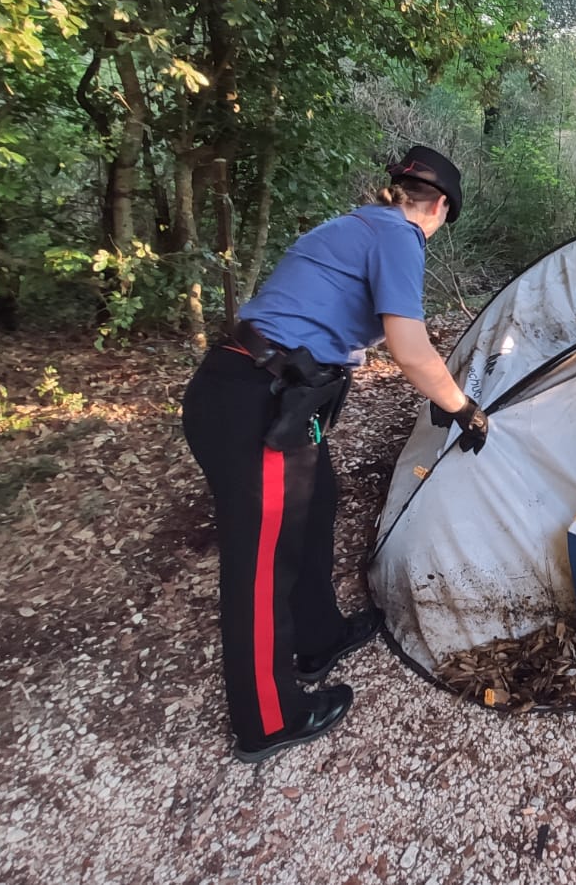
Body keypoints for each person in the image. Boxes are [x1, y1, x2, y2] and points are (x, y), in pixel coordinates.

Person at [181, 145, 491, 762]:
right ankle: (267, 719)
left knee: (317, 501)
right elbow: (409, 346)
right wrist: (462, 407)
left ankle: (317, 635)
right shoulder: (401, 237)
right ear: (440, 208)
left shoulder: (358, 224)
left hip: (274, 397)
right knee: (260, 565)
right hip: (257, 404)